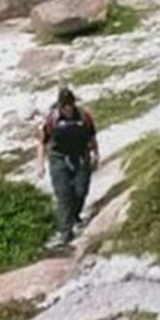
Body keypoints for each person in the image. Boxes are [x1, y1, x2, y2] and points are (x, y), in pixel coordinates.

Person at [38, 88, 99, 249]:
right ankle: (66, 233)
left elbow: (92, 137)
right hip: (58, 159)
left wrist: (96, 155)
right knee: (63, 194)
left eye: (69, 104)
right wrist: (40, 165)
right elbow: (42, 142)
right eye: (64, 105)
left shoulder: (84, 117)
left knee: (80, 190)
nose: (67, 108)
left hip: (81, 156)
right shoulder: (53, 119)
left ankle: (75, 216)